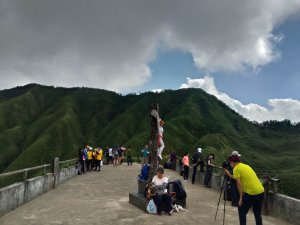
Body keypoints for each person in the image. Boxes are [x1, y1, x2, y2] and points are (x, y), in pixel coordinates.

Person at [224, 155, 264, 225]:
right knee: (257, 212)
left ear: (232, 162)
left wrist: (241, 197)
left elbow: (238, 183)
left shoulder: (236, 168)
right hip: (260, 191)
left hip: (251, 193)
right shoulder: (246, 166)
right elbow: (236, 177)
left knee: (241, 210)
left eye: (230, 163)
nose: (230, 165)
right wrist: (228, 174)